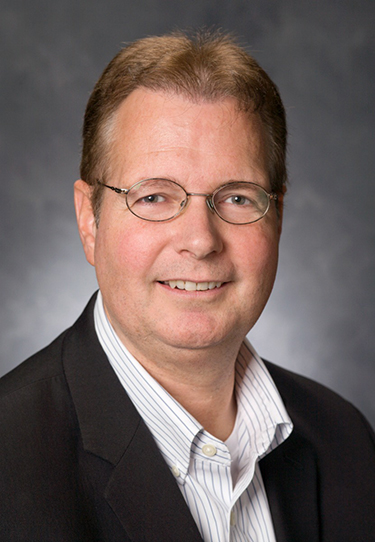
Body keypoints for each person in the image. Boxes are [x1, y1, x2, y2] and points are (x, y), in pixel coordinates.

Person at [1, 30, 374, 542]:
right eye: (154, 197)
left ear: (278, 218)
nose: (200, 241)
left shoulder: (345, 440)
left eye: (237, 198)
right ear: (90, 221)